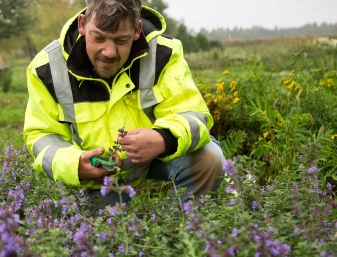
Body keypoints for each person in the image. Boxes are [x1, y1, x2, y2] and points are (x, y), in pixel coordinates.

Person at [23, 0, 226, 210]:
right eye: (99, 37)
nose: (109, 52)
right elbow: (41, 135)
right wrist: (75, 164)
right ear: (82, 24)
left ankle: (184, 235)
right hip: (99, 177)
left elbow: (194, 114)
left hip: (156, 157)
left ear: (137, 29)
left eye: (121, 40)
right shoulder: (46, 68)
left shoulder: (163, 53)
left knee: (209, 159)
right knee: (99, 239)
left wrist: (163, 139)